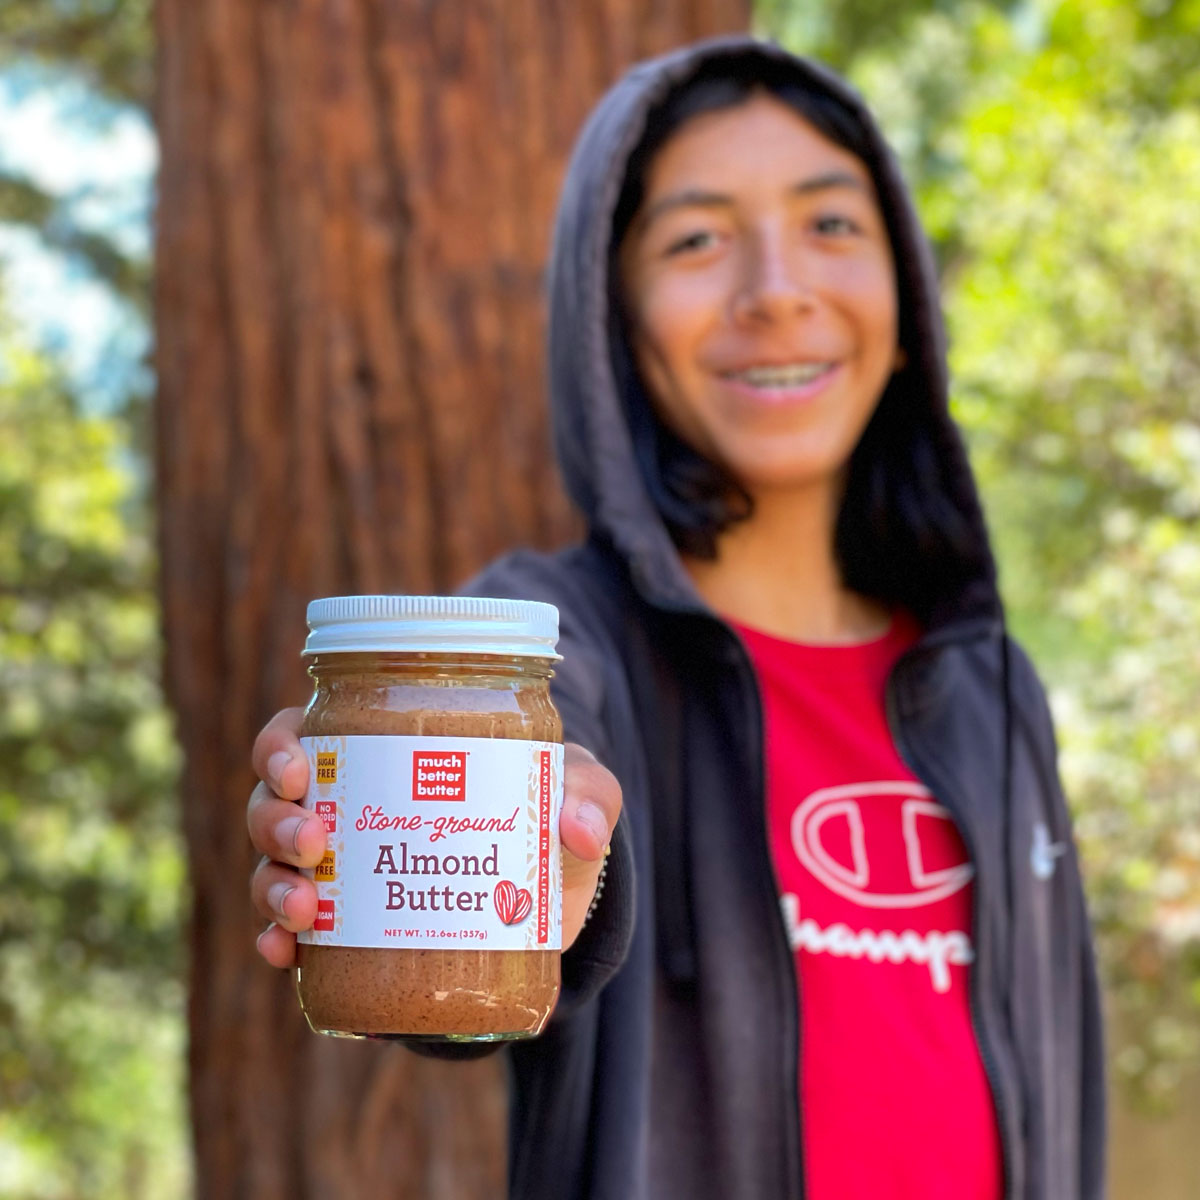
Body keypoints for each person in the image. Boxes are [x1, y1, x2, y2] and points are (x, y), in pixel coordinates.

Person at [246, 35, 1105, 1200]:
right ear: (615, 330)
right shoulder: (542, 638)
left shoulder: (991, 685)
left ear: (906, 303)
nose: (776, 289)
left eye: (831, 225)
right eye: (696, 239)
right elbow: (514, 856)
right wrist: (519, 886)